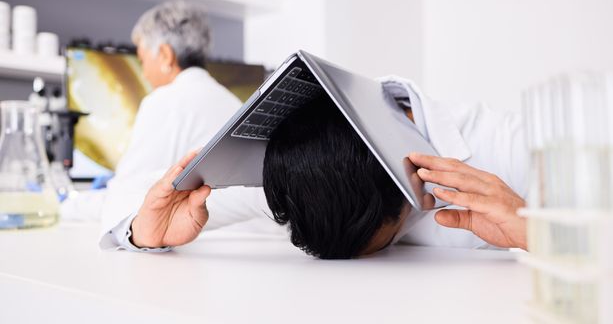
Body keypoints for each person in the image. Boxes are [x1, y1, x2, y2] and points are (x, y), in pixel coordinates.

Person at [104, 74, 529, 258]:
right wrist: (142, 234)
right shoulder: (300, 175)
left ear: (410, 185)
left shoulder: (514, 147)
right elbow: (125, 206)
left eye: (384, 239)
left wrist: (535, 229)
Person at [63, 0, 243, 237]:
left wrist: (64, 205)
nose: (144, 72)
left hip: (208, 244)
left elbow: (123, 201)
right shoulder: (233, 102)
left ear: (166, 56)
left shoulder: (166, 100)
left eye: (143, 59)